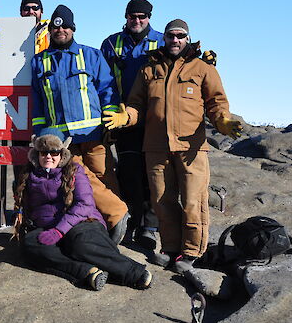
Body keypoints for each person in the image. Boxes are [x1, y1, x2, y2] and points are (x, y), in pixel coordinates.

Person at [103, 19, 242, 272]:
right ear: (164, 38)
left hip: (191, 148)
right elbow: (136, 105)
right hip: (156, 147)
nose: (175, 40)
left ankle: (191, 252)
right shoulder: (149, 70)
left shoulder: (202, 68)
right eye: (170, 36)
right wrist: (126, 117)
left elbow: (216, 103)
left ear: (187, 38)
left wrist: (223, 121)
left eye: (180, 36)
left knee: (193, 201)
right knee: (162, 200)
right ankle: (170, 249)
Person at [30, 4, 129, 243]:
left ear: (73, 28)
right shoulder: (39, 62)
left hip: (94, 134)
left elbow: (107, 89)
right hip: (62, 140)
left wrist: (111, 118)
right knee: (76, 180)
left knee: (105, 180)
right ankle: (116, 215)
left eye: (64, 25)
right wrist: (41, 136)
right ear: (50, 31)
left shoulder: (91, 55)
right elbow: (38, 102)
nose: (60, 30)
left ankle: (109, 227)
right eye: (55, 26)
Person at [15, 130, 152, 291]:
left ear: (62, 153)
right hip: (48, 227)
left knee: (80, 244)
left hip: (82, 223)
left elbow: (85, 205)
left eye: (54, 152)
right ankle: (87, 271)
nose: (49, 156)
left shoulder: (74, 170)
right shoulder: (28, 174)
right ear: (37, 153)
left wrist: (59, 231)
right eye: (44, 152)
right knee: (30, 245)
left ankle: (134, 273)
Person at [100, 0, 165, 249]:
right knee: (128, 173)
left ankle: (149, 227)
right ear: (125, 16)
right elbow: (102, 83)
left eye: (142, 16)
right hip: (122, 120)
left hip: (154, 120)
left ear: (149, 17)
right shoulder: (110, 43)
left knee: (152, 174)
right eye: (132, 16)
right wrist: (108, 118)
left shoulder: (162, 40)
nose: (137, 21)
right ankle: (130, 222)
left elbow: (184, 63)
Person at [13, 0, 50, 197]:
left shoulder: (52, 32)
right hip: (18, 100)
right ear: (20, 12)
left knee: (44, 152)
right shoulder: (12, 32)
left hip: (44, 100)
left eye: (35, 8)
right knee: (19, 155)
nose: (30, 11)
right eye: (26, 8)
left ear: (41, 11)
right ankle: (21, 200)